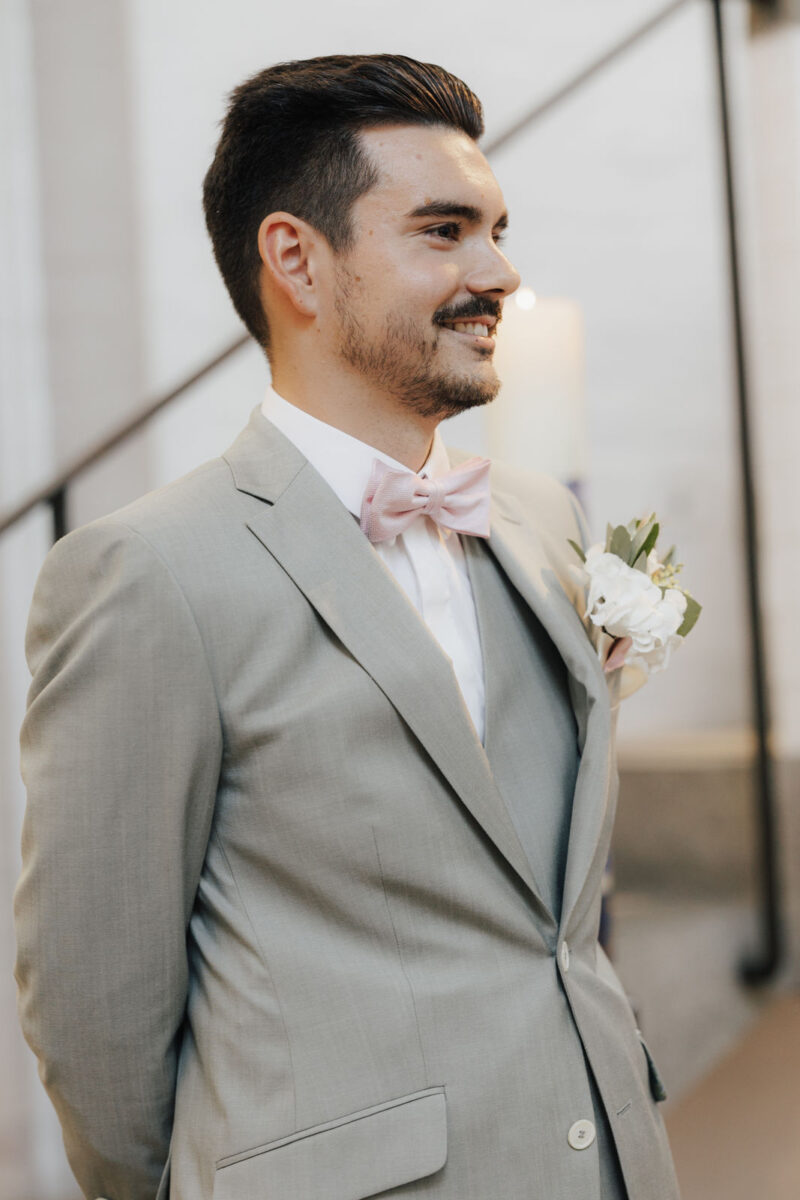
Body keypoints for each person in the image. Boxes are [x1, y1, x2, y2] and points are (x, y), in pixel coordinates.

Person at [14, 53, 680, 1200]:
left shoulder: (535, 522)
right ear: (296, 261)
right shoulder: (147, 572)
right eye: (443, 230)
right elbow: (94, 1005)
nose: (499, 272)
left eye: (497, 228)